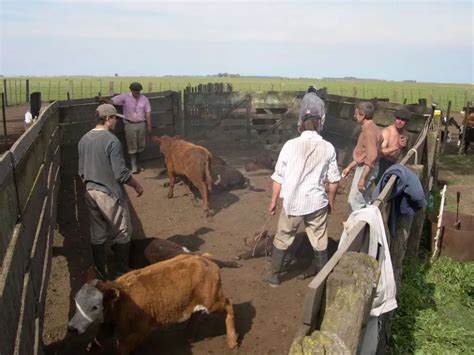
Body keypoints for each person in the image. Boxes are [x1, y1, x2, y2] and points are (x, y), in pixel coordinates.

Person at [263, 112, 340, 287]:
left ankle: (275, 276)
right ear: (319, 126)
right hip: (316, 202)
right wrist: (331, 200)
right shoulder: (328, 147)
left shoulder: (290, 145)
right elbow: (334, 180)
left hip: (293, 203)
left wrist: (273, 202)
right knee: (319, 239)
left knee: (283, 237)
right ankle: (321, 279)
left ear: (301, 126)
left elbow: (278, 177)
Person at [78, 104, 144, 281]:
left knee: (97, 233)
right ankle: (121, 273)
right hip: (109, 193)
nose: (116, 122)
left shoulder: (83, 140)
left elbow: (81, 171)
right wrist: (137, 185)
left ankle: (101, 274)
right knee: (122, 231)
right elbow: (121, 173)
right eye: (115, 118)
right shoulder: (111, 141)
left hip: (91, 192)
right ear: (108, 119)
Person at [99, 82, 152, 173]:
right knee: (132, 145)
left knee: (141, 145)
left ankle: (138, 164)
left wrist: (149, 125)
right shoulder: (125, 97)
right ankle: (133, 166)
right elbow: (112, 101)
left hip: (141, 124)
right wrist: (103, 99)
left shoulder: (144, 99)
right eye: (135, 91)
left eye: (138, 91)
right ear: (131, 90)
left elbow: (148, 113)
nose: (137, 93)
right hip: (129, 124)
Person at [342, 101, 382, 212]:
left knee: (354, 201)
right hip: (367, 167)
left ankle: (357, 227)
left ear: (362, 115)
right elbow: (364, 154)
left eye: (356, 114)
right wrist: (349, 167)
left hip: (366, 169)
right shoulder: (372, 129)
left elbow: (371, 158)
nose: (355, 117)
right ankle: (366, 225)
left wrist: (362, 178)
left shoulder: (369, 132)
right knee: (364, 199)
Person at [378, 109, 411, 176]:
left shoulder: (406, 134)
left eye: (402, 120)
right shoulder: (387, 132)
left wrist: (404, 146)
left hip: (394, 164)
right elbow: (380, 152)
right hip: (381, 163)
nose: (399, 122)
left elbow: (405, 152)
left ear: (407, 122)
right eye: (398, 118)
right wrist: (398, 146)